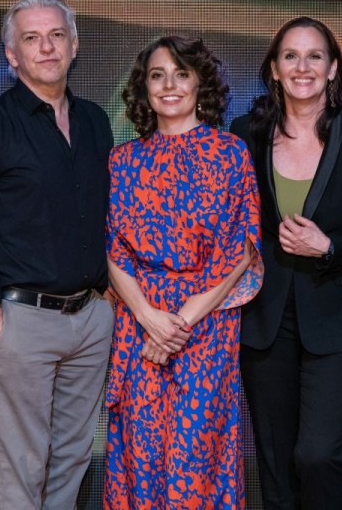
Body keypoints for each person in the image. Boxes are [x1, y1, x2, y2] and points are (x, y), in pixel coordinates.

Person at [0, 0, 114, 510]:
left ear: (74, 46)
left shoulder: (95, 121)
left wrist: (105, 298)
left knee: (71, 460)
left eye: (57, 35)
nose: (46, 47)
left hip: (90, 319)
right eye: (32, 38)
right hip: (20, 320)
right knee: (20, 465)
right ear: (11, 55)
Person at [230, 17, 342, 509]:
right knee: (275, 465)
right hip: (264, 321)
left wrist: (329, 246)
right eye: (291, 56)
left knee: (317, 455)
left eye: (315, 55)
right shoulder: (245, 134)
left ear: (333, 67)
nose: (303, 67)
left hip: (336, 320)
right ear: (274, 70)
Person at [103, 35, 263, 509]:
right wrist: (148, 317)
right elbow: (113, 249)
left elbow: (240, 249)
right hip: (139, 326)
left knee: (197, 457)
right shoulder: (123, 161)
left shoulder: (230, 153)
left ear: (200, 84)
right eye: (158, 75)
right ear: (144, 88)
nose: (169, 85)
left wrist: (179, 323)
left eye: (181, 74)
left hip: (206, 325)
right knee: (141, 452)